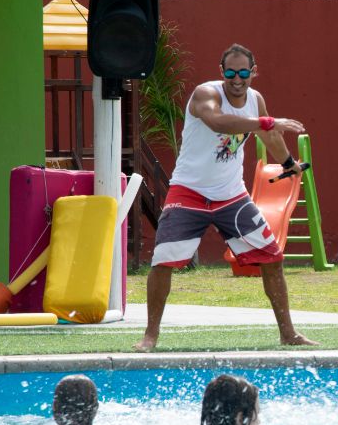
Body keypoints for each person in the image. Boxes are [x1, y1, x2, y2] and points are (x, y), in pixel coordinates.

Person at [133, 43, 317, 352]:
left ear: (253, 72)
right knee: (163, 262)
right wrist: (269, 122)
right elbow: (219, 122)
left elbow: (268, 136)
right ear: (222, 72)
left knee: (272, 259)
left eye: (243, 72)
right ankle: (150, 336)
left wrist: (288, 164)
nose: (236, 78)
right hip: (188, 192)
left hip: (232, 196)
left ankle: (288, 333)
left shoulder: (255, 100)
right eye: (230, 72)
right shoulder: (206, 94)